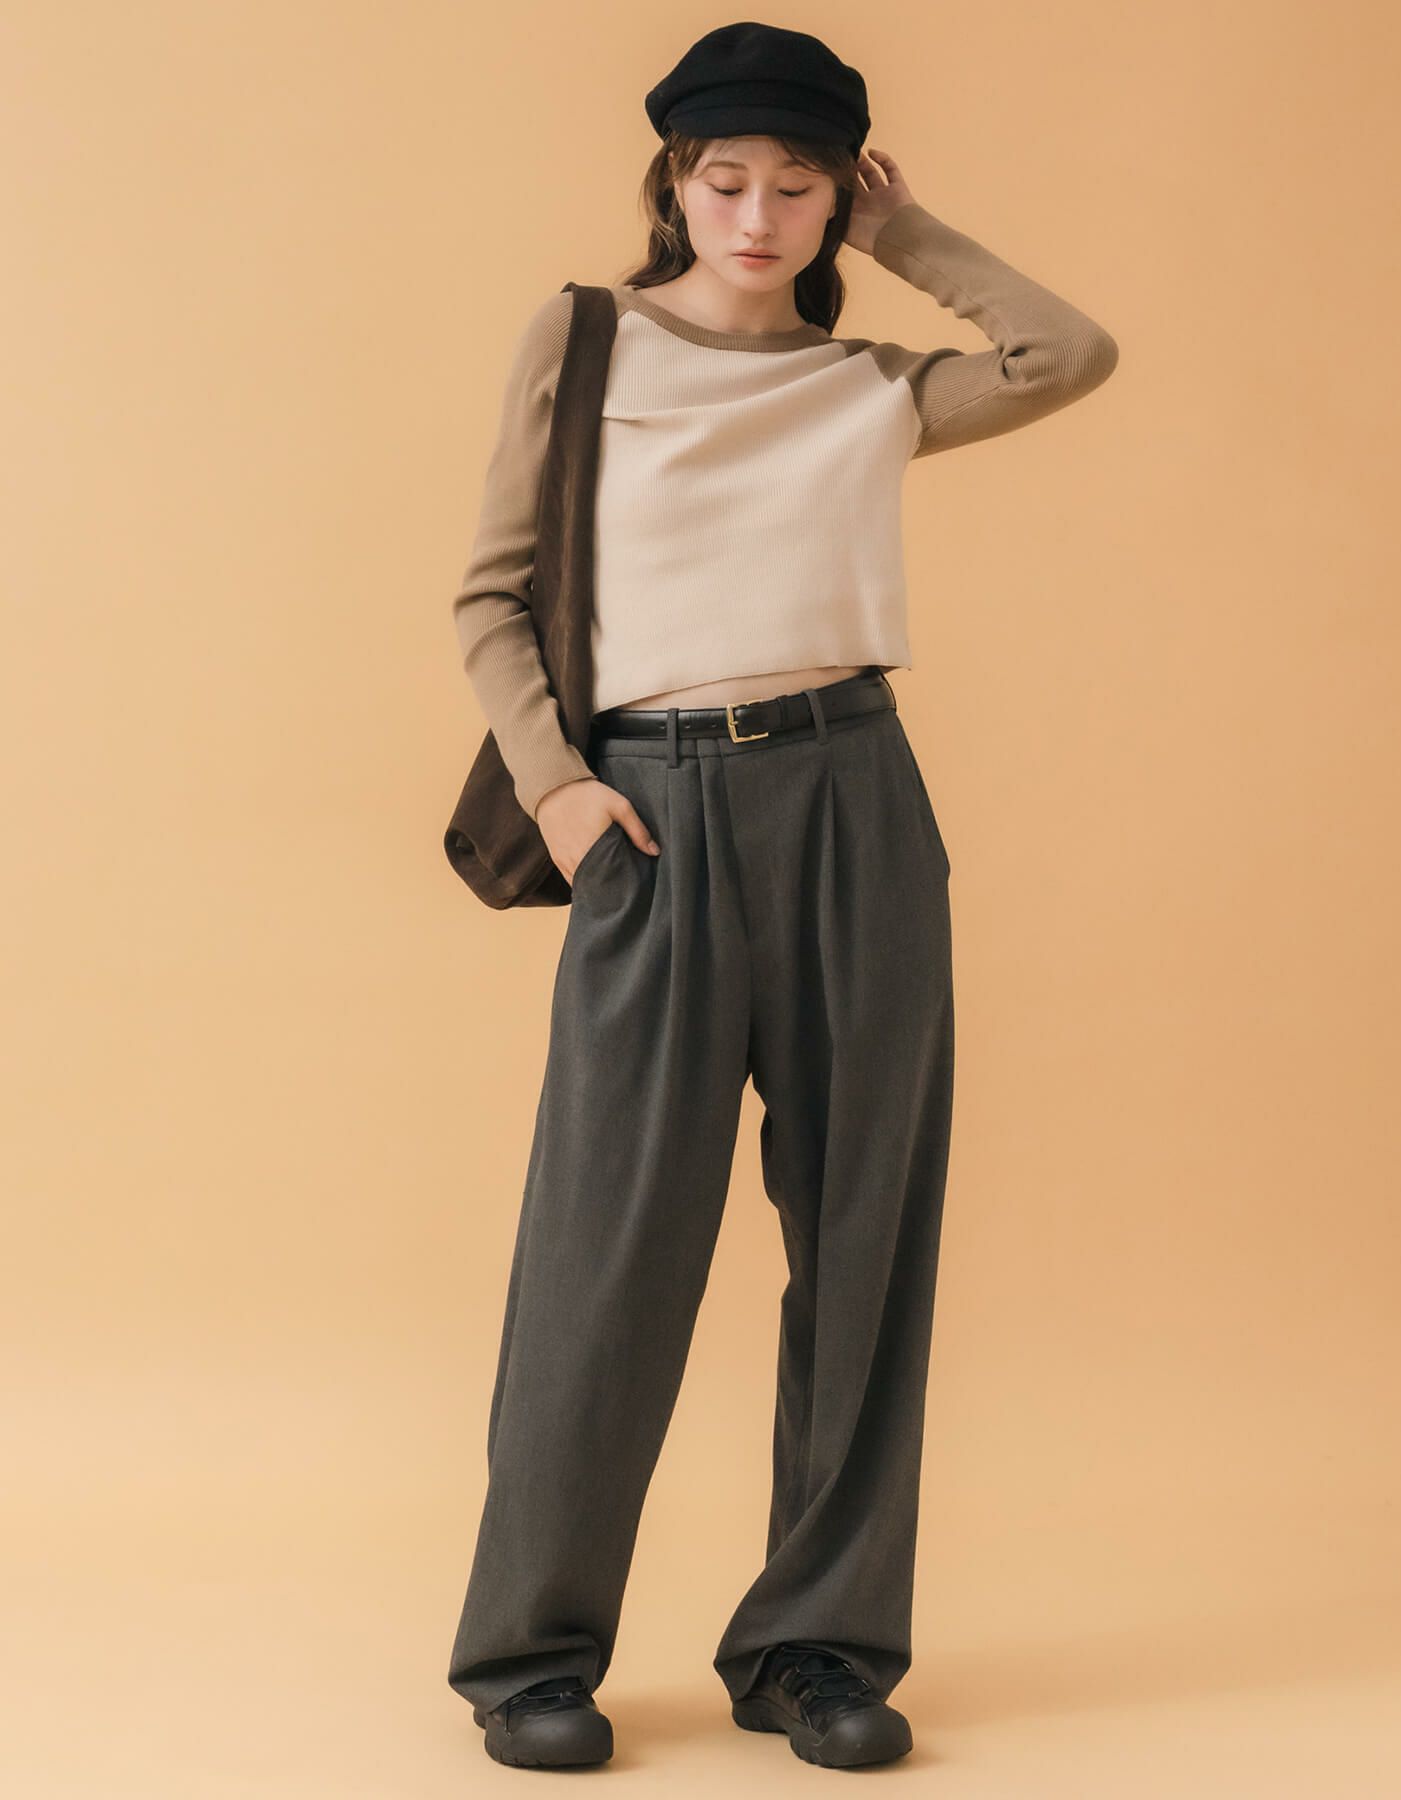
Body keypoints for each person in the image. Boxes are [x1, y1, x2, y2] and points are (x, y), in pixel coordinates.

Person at [445, 20, 1119, 1773]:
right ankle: (531, 1652)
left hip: (855, 801)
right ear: (673, 184)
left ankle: (815, 1648)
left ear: (839, 202)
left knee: (866, 1237)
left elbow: (1067, 352)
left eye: (800, 188)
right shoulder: (584, 340)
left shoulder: (872, 387)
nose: (757, 216)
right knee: (606, 1249)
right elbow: (492, 595)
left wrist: (912, 235)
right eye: (725, 179)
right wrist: (562, 789)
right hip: (650, 814)